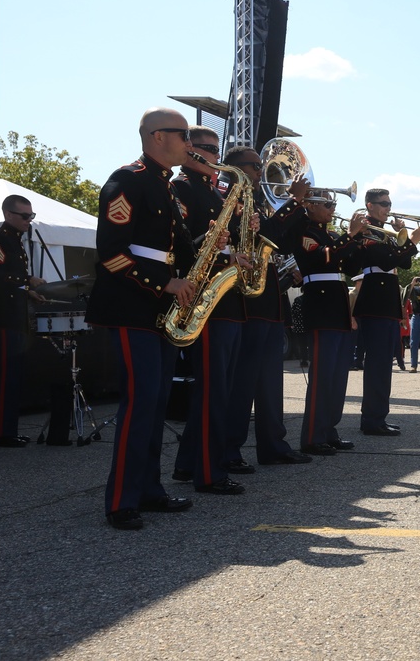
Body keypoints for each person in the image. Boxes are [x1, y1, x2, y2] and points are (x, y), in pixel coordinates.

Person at [85, 107, 200, 530]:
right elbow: (112, 254)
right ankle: (121, 500)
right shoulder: (127, 180)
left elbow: (177, 249)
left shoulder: (164, 186)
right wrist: (164, 284)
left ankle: (149, 490)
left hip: (159, 311)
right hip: (132, 306)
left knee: (155, 403)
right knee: (139, 403)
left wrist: (217, 247)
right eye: (182, 134)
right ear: (156, 136)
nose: (189, 143)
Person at [221, 144, 314, 468]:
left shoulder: (256, 201)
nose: (262, 172)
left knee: (270, 382)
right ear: (236, 168)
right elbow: (262, 238)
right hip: (248, 303)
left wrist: (301, 209)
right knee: (243, 383)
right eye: (255, 167)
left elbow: (284, 242)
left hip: (268, 302)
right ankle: (230, 450)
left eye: (262, 167)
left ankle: (273, 445)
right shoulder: (228, 202)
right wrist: (294, 202)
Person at [170, 127, 250, 495]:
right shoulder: (181, 188)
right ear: (189, 151)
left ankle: (189, 464)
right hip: (204, 299)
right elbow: (180, 244)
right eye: (205, 149)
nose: (212, 155)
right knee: (211, 392)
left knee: (221, 389)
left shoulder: (212, 192)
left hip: (223, 298)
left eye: (215, 149)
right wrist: (219, 247)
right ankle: (208, 471)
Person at [279, 185, 365, 455]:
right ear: (311, 206)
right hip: (321, 305)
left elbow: (350, 268)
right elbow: (322, 259)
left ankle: (329, 430)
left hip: (337, 308)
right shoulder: (305, 232)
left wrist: (358, 241)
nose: (332, 209)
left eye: (333, 205)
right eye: (327, 205)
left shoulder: (331, 234)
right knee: (322, 377)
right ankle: (313, 437)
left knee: (338, 376)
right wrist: (349, 236)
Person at [353, 189, 420, 435]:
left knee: (384, 364)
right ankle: (372, 420)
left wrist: (403, 239)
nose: (388, 207)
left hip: (385, 300)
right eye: (383, 204)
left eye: (389, 203)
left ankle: (378, 417)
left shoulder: (385, 231)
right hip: (375, 299)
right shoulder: (366, 229)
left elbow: (403, 262)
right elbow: (385, 261)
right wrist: (411, 241)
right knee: (377, 364)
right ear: (369, 205)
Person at [0, 195, 46, 448]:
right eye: (25, 216)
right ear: (8, 214)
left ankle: (8, 428)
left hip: (14, 318)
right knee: (3, 378)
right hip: (2, 319)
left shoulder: (16, 241)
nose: (29, 221)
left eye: (31, 216)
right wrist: (27, 280)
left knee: (13, 377)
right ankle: (0, 433)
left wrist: (28, 290)